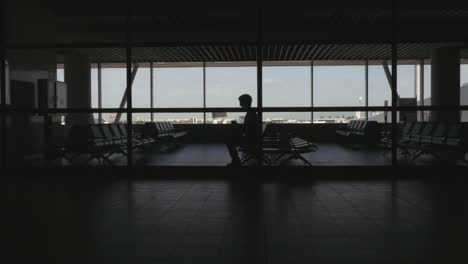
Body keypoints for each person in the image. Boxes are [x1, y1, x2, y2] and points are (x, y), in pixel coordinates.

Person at [225, 94, 259, 166]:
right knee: (230, 138)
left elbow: (246, 130)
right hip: (253, 141)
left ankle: (236, 161)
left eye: (241, 102)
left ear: (245, 103)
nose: (240, 105)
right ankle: (236, 161)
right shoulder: (252, 113)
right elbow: (248, 130)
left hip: (250, 142)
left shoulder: (250, 114)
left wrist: (236, 127)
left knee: (229, 140)